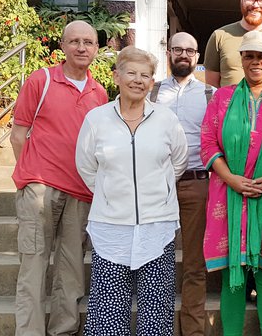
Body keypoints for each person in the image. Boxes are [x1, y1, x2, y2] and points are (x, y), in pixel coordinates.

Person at [75, 47, 188, 335]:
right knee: (108, 308)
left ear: (152, 82)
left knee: (156, 307)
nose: (138, 80)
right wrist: (111, 195)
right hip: (111, 226)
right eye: (131, 73)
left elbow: (179, 162)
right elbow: (87, 167)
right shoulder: (96, 119)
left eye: (145, 75)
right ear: (116, 76)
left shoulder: (166, 120)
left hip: (157, 225)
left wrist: (159, 190)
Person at [10, 20, 108, 336]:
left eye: (88, 42)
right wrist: (28, 175)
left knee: (72, 269)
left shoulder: (100, 93)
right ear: (62, 46)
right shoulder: (41, 80)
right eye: (75, 41)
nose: (82, 47)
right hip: (40, 187)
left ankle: (63, 330)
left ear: (96, 49)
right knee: (34, 265)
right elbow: (18, 134)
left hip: (80, 192)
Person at [200, 31, 262, 336]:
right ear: (240, 60)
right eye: (249, 55)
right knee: (234, 274)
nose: (255, 62)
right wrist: (231, 178)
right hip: (228, 194)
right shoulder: (222, 97)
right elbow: (207, 142)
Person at [149, 32, 214, 336]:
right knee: (155, 261)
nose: (184, 55)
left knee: (194, 264)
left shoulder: (210, 95)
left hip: (196, 183)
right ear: (169, 53)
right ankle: (158, 327)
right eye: (178, 49)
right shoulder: (150, 92)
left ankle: (193, 331)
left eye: (190, 50)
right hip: (156, 187)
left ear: (197, 57)